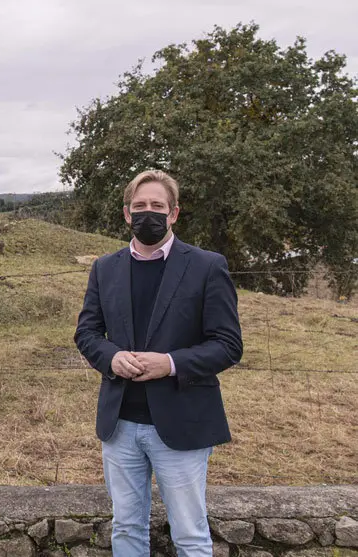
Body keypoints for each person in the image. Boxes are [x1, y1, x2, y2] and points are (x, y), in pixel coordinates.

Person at [74, 170, 242, 557]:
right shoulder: (105, 268)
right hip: (120, 425)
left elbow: (228, 345)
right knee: (127, 529)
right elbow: (87, 333)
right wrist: (111, 357)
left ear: (174, 213)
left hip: (182, 423)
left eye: (157, 206)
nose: (148, 213)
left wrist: (169, 363)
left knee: (190, 534)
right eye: (140, 207)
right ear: (126, 214)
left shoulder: (207, 266)